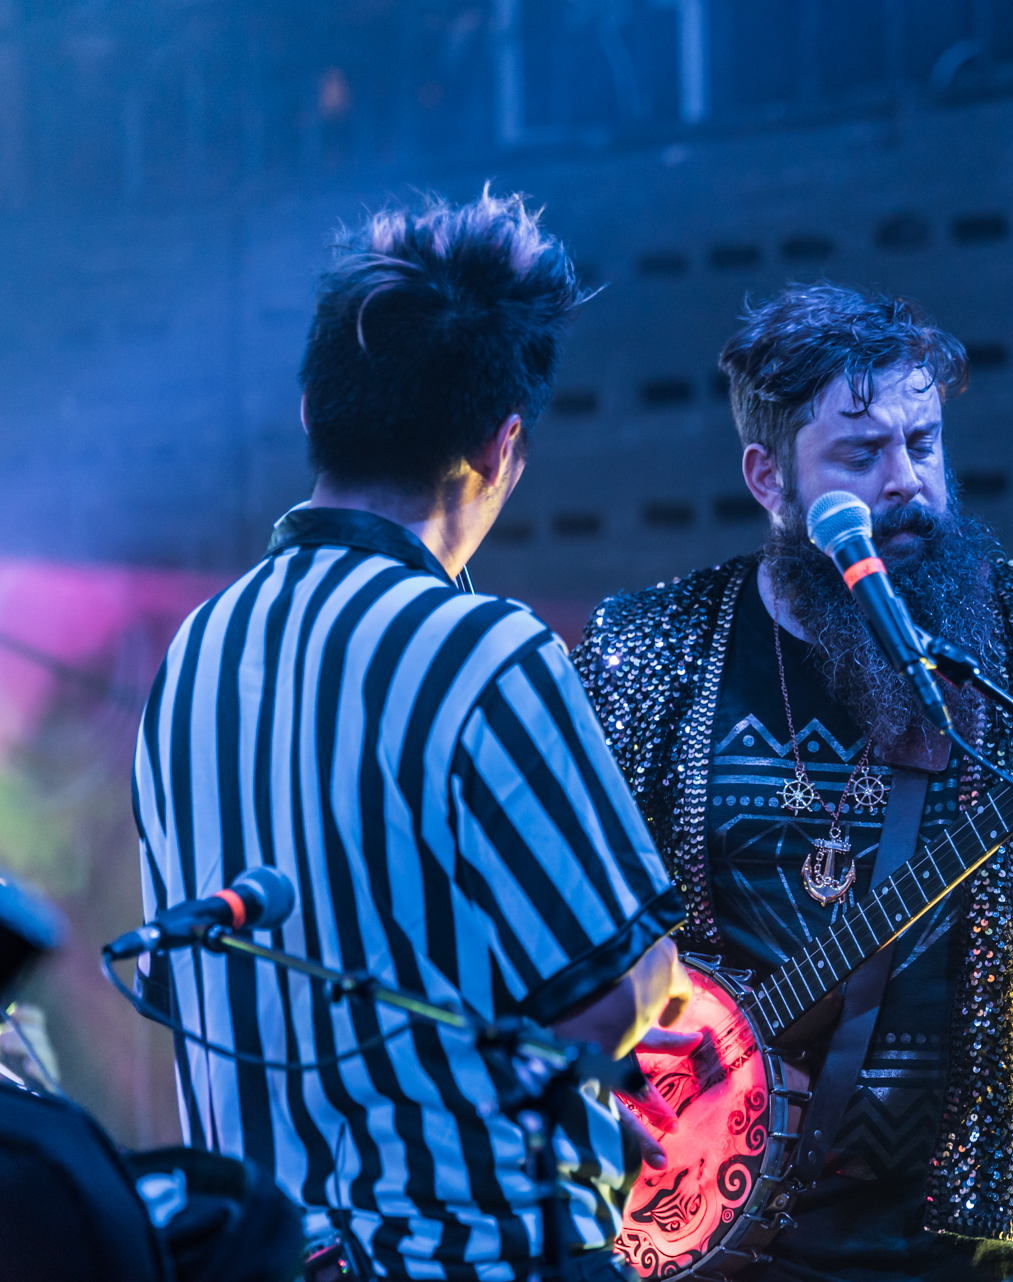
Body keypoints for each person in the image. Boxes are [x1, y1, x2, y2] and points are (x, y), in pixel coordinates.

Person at [573, 284, 1013, 1282]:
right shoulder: (653, 652)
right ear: (769, 478)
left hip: (962, 1256)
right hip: (695, 1240)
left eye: (923, 442)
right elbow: (558, 938)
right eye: (860, 455)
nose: (907, 482)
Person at [133, 191, 690, 1281]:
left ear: (311, 409)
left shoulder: (188, 657)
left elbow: (187, 994)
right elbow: (614, 991)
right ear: (502, 443)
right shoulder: (484, 652)